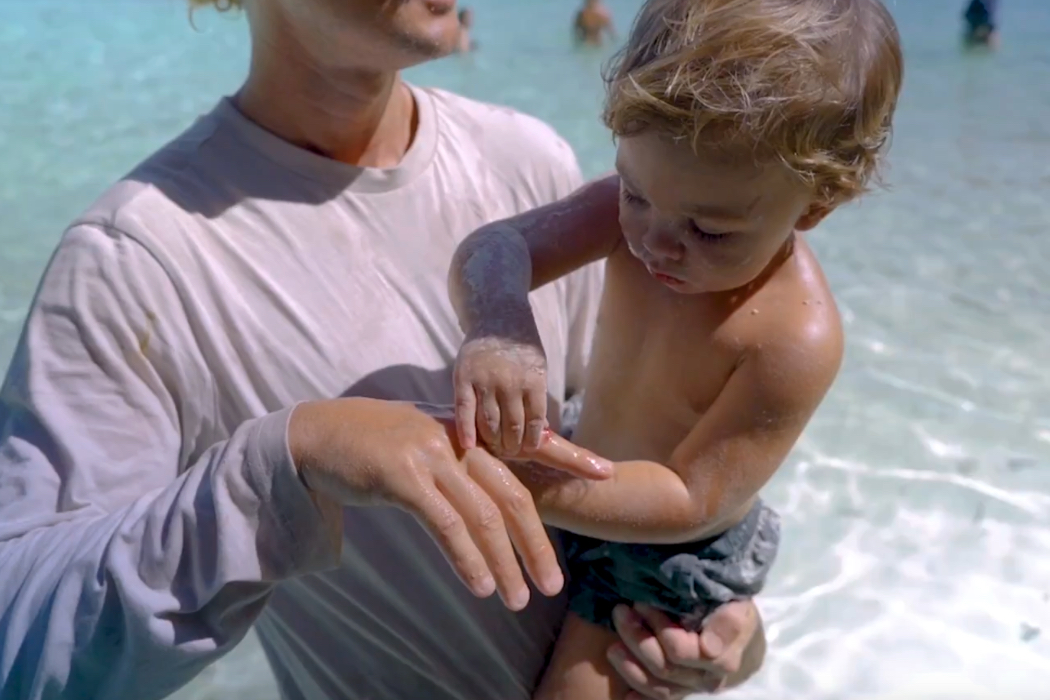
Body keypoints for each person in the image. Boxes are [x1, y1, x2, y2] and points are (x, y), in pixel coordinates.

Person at [0, 0, 765, 698]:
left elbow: (641, 437)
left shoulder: (526, 162)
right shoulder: (136, 260)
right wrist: (288, 459)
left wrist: (720, 622)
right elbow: (21, 643)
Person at [449, 0, 904, 697]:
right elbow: (495, 247)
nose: (656, 242)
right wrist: (501, 326)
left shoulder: (792, 338)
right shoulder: (654, 205)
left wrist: (529, 486)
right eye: (634, 192)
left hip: (662, 556)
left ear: (815, 205)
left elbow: (692, 498)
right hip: (581, 463)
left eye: (711, 232)